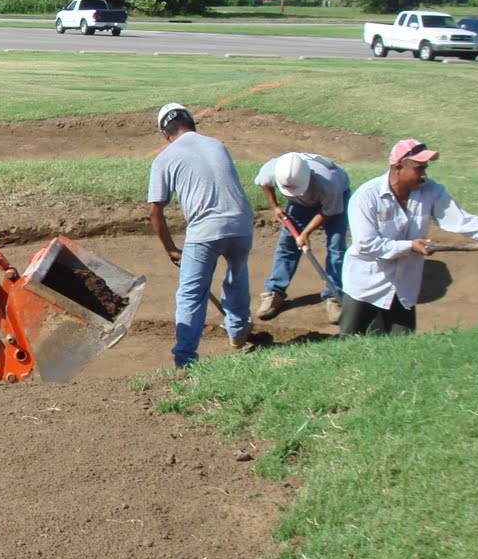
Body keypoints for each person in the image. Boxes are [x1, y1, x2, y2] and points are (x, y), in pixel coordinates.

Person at [339, 138, 478, 337]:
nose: (424, 175)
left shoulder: (431, 191)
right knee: (350, 342)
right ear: (398, 167)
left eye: (425, 168)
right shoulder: (366, 196)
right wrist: (410, 246)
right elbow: (366, 244)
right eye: (419, 168)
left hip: (403, 288)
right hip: (365, 285)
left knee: (401, 347)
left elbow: (463, 221)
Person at [147, 103, 255, 368]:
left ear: (164, 132)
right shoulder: (217, 144)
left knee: (191, 294)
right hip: (242, 224)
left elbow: (155, 211)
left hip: (205, 231)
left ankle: (185, 359)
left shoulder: (164, 157)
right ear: (192, 123)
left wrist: (171, 249)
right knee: (237, 276)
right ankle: (239, 331)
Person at [253, 151, 350, 324]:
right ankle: (275, 290)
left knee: (336, 246)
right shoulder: (273, 170)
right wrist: (275, 206)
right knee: (287, 244)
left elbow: (328, 212)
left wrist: (305, 233)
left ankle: (334, 295)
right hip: (300, 203)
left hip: (335, 199)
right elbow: (264, 182)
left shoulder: (329, 183)